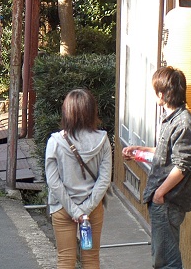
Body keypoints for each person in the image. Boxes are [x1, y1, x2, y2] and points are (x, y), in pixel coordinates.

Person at [122, 66, 191, 269]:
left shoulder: (183, 122)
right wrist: (141, 150)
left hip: (168, 200)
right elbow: (167, 153)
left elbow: (182, 166)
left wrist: (160, 193)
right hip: (162, 197)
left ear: (162, 94)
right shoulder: (172, 118)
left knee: (166, 261)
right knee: (162, 258)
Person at [45, 88, 112, 269]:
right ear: (91, 111)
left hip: (62, 207)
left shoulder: (55, 142)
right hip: (93, 209)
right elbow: (105, 179)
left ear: (67, 111)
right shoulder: (103, 140)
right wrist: (85, 210)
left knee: (65, 260)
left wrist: (75, 212)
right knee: (91, 260)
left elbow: (53, 182)